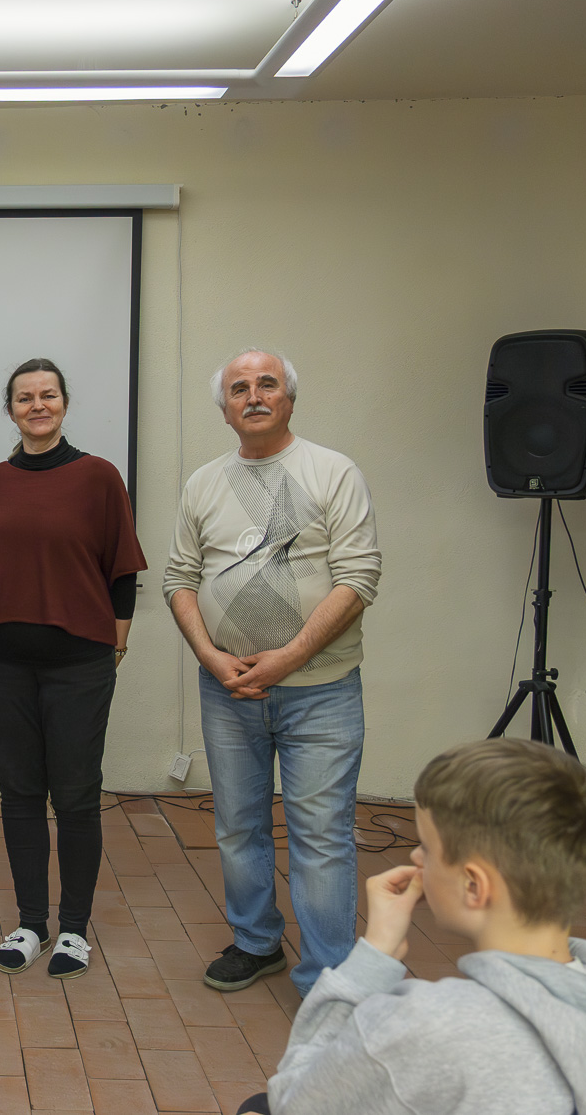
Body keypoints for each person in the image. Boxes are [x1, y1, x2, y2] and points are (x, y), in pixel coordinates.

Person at [239, 739, 586, 1115]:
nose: (415, 858)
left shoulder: (431, 1025)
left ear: (474, 885)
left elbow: (295, 1100)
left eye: (427, 847)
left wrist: (370, 959)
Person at [162, 349, 382, 997]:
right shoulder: (204, 483)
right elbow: (179, 578)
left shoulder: (332, 472)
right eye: (238, 388)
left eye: (266, 384)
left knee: (322, 836)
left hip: (321, 692)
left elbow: (359, 577)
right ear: (224, 408)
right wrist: (208, 655)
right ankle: (256, 943)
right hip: (227, 691)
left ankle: (327, 976)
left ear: (288, 398)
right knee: (237, 826)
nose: (253, 396)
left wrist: (291, 656)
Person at [0, 359, 147, 979]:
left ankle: (73, 930)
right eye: (24, 397)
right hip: (5, 663)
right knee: (18, 792)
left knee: (75, 795)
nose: (37, 405)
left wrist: (114, 647)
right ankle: (31, 924)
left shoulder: (99, 477)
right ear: (10, 409)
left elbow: (122, 571)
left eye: (48, 395)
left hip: (79, 666)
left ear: (64, 403)